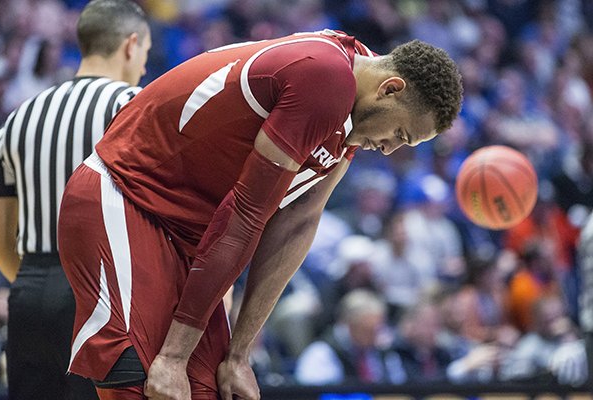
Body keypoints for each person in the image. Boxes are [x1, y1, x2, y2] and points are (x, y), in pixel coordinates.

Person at [56, 28, 462, 399]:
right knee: (145, 384)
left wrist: (239, 354)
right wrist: (175, 356)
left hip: (185, 233)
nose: (391, 148)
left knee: (209, 390)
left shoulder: (356, 108)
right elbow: (246, 215)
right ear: (390, 89)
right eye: (400, 135)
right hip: (127, 196)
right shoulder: (326, 77)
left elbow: (299, 222)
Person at [0, 1, 151, 399]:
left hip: (29, 293)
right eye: (146, 53)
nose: (146, 66)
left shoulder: (20, 115)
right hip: (106, 296)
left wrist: (38, 283)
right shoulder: (136, 105)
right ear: (131, 45)